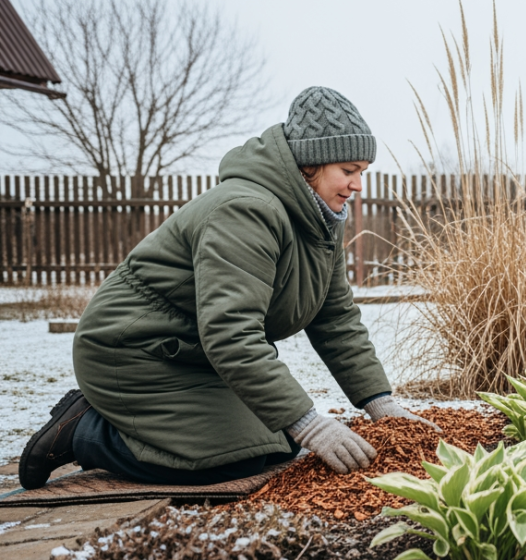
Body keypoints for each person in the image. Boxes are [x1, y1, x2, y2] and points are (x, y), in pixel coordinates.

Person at [19, 87, 437, 490]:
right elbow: (231, 332)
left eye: (362, 172)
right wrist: (309, 422)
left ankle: (142, 426)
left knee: (278, 444)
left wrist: (381, 404)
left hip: (194, 353)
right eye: (348, 171)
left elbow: (336, 320)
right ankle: (84, 430)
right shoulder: (246, 210)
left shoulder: (319, 222)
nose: (358, 185)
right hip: (134, 350)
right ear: (311, 165)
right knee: (223, 460)